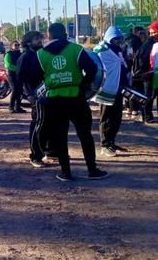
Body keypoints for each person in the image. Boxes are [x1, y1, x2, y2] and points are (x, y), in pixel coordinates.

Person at [36, 23, 108, 181]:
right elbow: (92, 69)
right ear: (64, 33)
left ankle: (66, 172)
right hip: (76, 98)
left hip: (54, 100)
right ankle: (92, 169)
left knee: (60, 136)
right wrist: (83, 85)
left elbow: (37, 76)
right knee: (85, 135)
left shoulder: (41, 54)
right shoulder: (76, 49)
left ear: (50, 35)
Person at [93, 26, 129, 157]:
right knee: (106, 117)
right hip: (107, 88)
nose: (117, 41)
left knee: (116, 117)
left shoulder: (119, 50)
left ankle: (112, 142)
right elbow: (98, 64)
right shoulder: (101, 49)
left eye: (119, 39)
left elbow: (122, 64)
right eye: (115, 39)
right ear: (109, 38)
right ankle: (105, 144)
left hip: (119, 87)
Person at [17, 31, 47, 168]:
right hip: (35, 96)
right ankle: (35, 156)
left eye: (40, 39)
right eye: (37, 40)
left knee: (48, 124)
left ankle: (49, 151)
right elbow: (20, 80)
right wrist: (30, 96)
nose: (40, 42)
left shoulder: (40, 55)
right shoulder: (25, 57)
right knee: (37, 125)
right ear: (28, 42)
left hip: (45, 94)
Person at [135, 21, 158, 123]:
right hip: (149, 74)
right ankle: (147, 116)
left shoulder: (150, 42)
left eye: (154, 32)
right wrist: (146, 71)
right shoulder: (150, 43)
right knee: (149, 96)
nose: (152, 35)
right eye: (151, 33)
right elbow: (142, 59)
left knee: (151, 95)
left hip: (151, 73)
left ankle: (148, 116)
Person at [124, 27, 145, 118]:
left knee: (127, 88)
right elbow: (132, 55)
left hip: (125, 68)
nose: (143, 35)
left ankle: (128, 108)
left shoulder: (124, 39)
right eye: (142, 33)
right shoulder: (135, 40)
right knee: (135, 89)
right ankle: (134, 110)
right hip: (134, 68)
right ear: (137, 32)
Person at [4, 40, 25, 113]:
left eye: (18, 45)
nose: (17, 46)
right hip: (11, 75)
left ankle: (18, 107)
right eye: (15, 45)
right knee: (14, 90)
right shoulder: (8, 54)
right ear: (11, 46)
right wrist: (18, 69)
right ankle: (11, 106)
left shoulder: (20, 54)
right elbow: (8, 65)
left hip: (19, 75)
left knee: (20, 90)